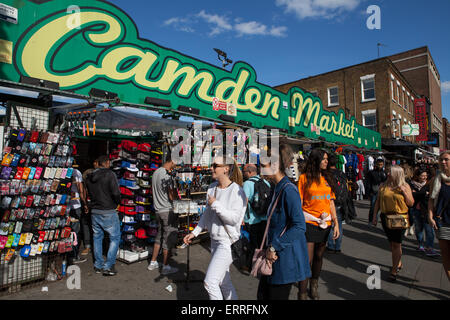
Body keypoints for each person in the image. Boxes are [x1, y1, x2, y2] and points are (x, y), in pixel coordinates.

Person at [183, 156, 247, 300]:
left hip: (227, 242)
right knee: (224, 281)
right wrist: (195, 232)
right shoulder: (212, 188)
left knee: (210, 282)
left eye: (215, 165)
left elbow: (234, 219)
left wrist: (216, 204)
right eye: (212, 165)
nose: (211, 168)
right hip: (214, 240)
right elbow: (207, 214)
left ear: (226, 169)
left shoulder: (237, 191)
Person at [256, 144, 310, 300]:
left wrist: (274, 246)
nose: (261, 170)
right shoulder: (276, 187)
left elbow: (299, 226)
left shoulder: (288, 190)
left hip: (284, 260)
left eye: (263, 166)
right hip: (273, 257)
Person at [297, 148, 339, 300]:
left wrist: (336, 223)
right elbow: (299, 202)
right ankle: (301, 292)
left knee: (319, 256)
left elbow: (331, 202)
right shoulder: (303, 179)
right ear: (315, 160)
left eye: (327, 159)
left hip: (325, 224)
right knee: (306, 259)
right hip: (308, 222)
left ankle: (313, 285)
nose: (326, 161)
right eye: (324, 159)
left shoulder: (328, 178)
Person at [372, 165, 414, 282]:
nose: (388, 174)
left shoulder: (405, 186)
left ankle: (394, 270)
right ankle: (398, 261)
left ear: (396, 174)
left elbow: (411, 203)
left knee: (396, 244)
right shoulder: (383, 186)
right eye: (388, 172)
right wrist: (374, 216)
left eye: (390, 172)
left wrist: (405, 192)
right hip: (385, 217)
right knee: (391, 243)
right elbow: (378, 202)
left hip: (399, 217)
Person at [85, 155, 122, 276]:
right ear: (106, 163)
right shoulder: (109, 174)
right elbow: (116, 193)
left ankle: (98, 265)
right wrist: (117, 202)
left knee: (97, 238)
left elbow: (88, 194)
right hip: (108, 211)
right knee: (115, 238)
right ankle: (108, 265)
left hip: (95, 211)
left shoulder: (89, 176)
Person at [148, 153, 179, 275]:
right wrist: (177, 197)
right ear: (172, 161)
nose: (176, 166)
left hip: (158, 210)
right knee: (168, 238)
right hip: (167, 210)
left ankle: (153, 262)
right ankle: (165, 266)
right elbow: (171, 195)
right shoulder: (166, 175)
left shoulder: (156, 172)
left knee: (159, 236)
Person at [242, 164, 272, 272]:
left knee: (252, 244)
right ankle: (262, 264)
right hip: (264, 218)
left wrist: (241, 217)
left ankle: (250, 265)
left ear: (250, 172)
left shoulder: (247, 183)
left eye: (244, 171)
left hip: (251, 219)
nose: (243, 173)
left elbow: (244, 201)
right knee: (262, 243)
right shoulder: (265, 182)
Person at [428, 151, 450, 281]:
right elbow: (431, 199)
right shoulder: (436, 180)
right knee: (446, 256)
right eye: (441, 159)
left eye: (446, 159)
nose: (443, 162)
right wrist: (430, 217)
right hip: (442, 222)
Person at [326, 153, 355, 253]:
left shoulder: (326, 174)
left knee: (330, 225)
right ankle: (337, 247)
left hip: (330, 201)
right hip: (341, 202)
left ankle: (330, 245)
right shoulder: (341, 173)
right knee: (339, 225)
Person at [409, 168, 439, 256]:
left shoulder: (429, 184)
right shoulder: (412, 184)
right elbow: (412, 195)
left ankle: (429, 247)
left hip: (427, 210)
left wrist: (417, 194)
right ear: (417, 176)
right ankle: (420, 245)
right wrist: (423, 193)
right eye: (422, 175)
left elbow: (431, 196)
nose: (424, 177)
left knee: (429, 229)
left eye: (426, 175)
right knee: (419, 228)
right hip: (416, 210)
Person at [68, 160, 88, 264]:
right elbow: (81, 190)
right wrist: (84, 203)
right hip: (75, 206)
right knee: (75, 232)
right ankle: (74, 256)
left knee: (68, 231)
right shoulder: (76, 172)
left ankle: (69, 255)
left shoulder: (64, 171)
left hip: (66, 206)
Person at [367, 159, 387, 227]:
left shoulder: (385, 173)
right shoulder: (372, 173)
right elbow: (368, 183)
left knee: (382, 208)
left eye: (381, 165)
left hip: (382, 192)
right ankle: (370, 220)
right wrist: (368, 193)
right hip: (374, 192)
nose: (380, 166)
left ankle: (376, 220)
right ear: (376, 164)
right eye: (379, 164)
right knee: (373, 207)